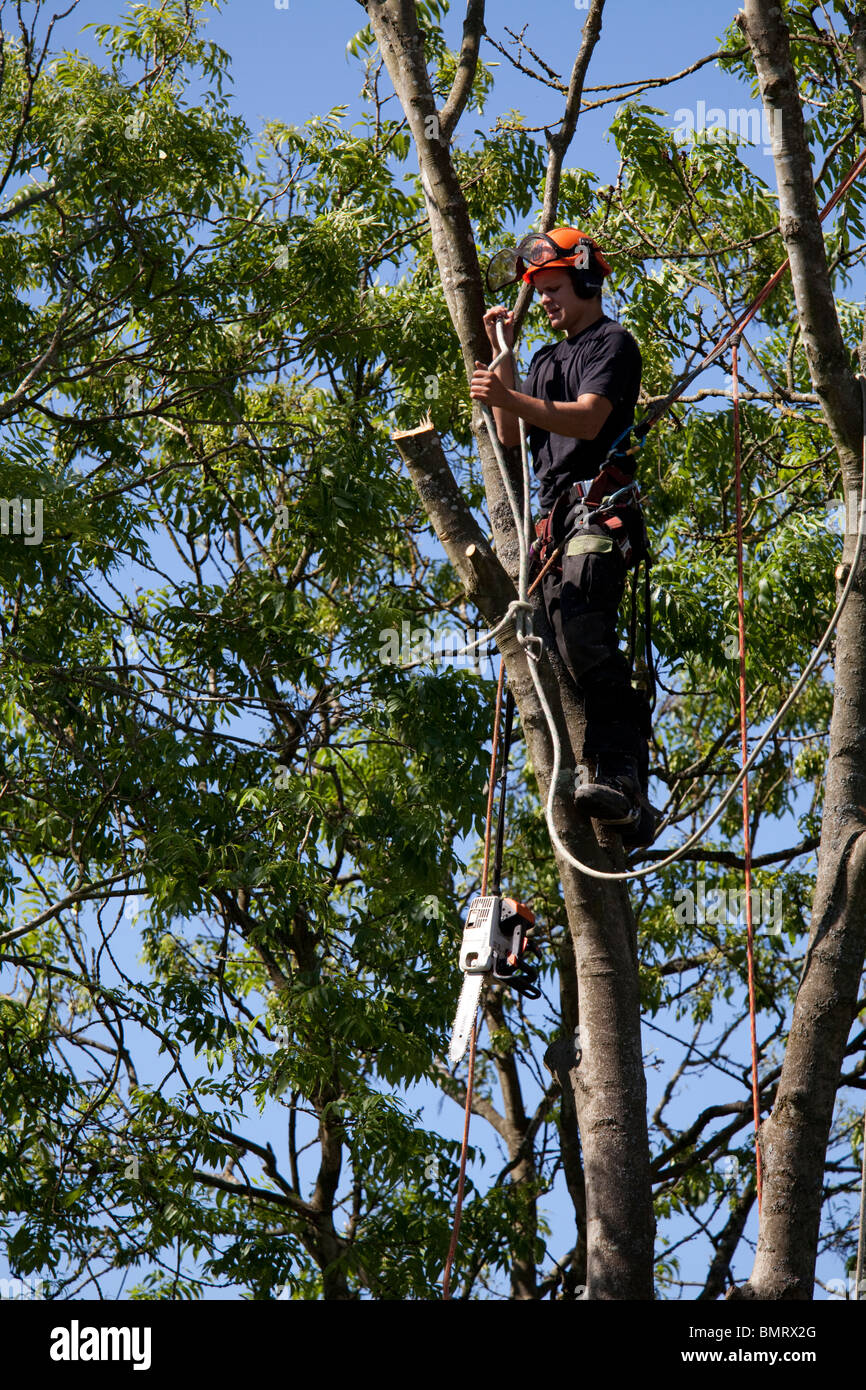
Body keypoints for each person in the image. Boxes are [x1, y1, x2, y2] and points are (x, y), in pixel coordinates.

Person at [469, 226, 657, 846]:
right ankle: (602, 784)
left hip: (595, 512)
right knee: (551, 655)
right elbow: (511, 437)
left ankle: (624, 778)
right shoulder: (547, 360)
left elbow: (589, 417)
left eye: (551, 289)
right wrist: (507, 359)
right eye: (538, 292)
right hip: (550, 528)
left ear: (583, 279)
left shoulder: (612, 343)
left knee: (582, 633)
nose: (545, 301)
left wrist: (510, 396)